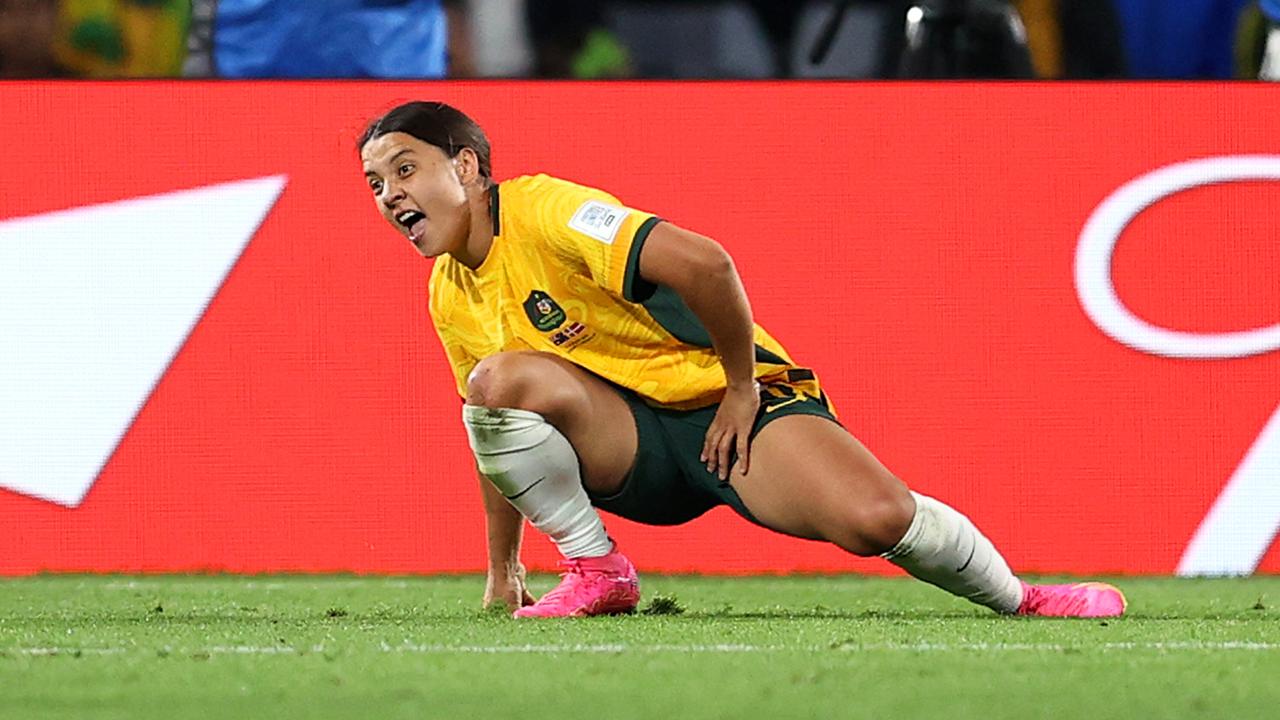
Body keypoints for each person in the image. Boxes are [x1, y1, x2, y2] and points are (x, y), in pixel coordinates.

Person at [357, 101, 1128, 619]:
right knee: (496, 383)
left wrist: (737, 390)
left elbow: (707, 264)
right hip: (631, 446)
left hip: (737, 415)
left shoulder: (549, 210)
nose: (390, 195)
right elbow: (491, 428)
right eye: (374, 184)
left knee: (876, 518)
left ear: (467, 167)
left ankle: (1022, 598)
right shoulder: (448, 293)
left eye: (404, 169)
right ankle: (598, 571)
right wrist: (503, 569)